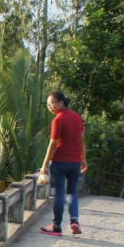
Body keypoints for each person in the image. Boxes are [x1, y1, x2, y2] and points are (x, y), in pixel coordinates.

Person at [38, 91, 87, 236]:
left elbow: (53, 143)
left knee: (58, 193)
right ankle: (74, 221)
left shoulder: (58, 120)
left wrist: (44, 165)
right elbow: (81, 139)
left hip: (59, 162)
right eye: (47, 105)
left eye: (51, 103)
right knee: (72, 192)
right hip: (75, 162)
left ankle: (56, 226)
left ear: (61, 103)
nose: (49, 107)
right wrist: (83, 158)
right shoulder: (77, 117)